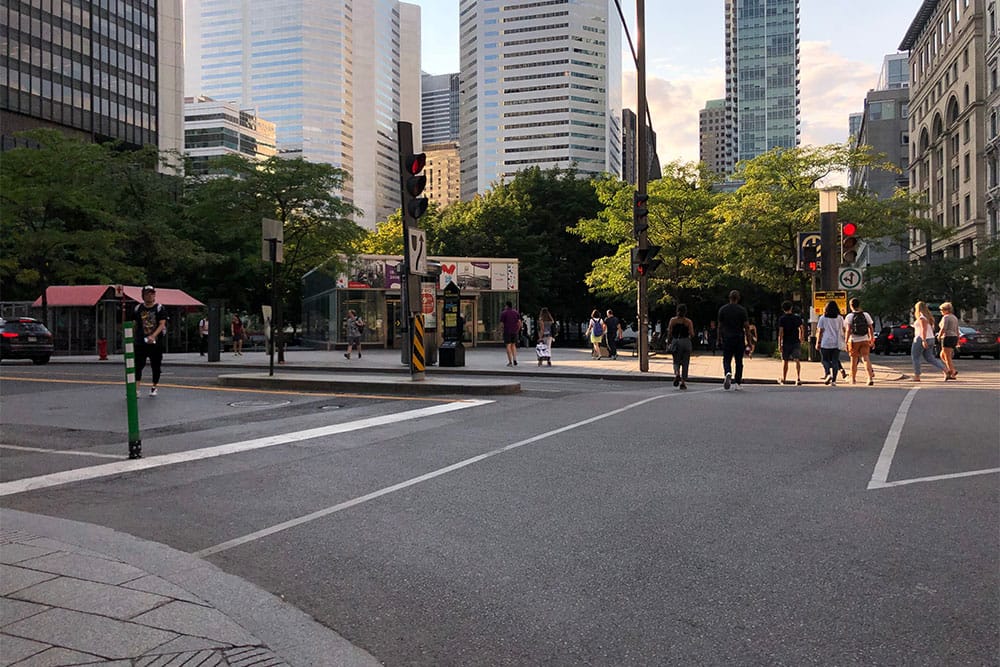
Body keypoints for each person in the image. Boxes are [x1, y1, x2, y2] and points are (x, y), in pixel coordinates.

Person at [134, 286, 166, 397]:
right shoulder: (138, 308)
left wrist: (153, 336)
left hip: (155, 342)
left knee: (156, 365)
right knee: (138, 365)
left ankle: (154, 386)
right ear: (143, 295)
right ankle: (136, 389)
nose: (150, 296)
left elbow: (162, 324)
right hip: (140, 341)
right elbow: (135, 324)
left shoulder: (159, 308)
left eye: (152, 293)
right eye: (147, 293)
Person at [717, 290, 751, 390]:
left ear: (729, 298)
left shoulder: (723, 309)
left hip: (727, 337)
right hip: (739, 337)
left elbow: (720, 326)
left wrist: (719, 339)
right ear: (738, 298)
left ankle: (728, 372)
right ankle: (737, 382)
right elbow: (746, 327)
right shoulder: (742, 310)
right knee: (739, 361)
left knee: (726, 358)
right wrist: (748, 342)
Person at [911, 301, 948, 382]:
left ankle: (917, 375)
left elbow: (923, 329)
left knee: (915, 357)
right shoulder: (928, 317)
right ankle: (945, 370)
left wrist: (923, 340)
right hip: (931, 338)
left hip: (921, 338)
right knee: (930, 357)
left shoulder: (921, 318)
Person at [844, 297, 875, 385]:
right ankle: (869, 378)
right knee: (866, 358)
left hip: (853, 340)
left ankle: (853, 379)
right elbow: (871, 328)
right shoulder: (866, 315)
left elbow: (848, 330)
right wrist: (871, 339)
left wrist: (846, 342)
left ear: (851, 306)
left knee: (854, 361)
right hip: (865, 339)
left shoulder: (849, 316)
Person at [815, 301, 845, 386]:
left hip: (825, 342)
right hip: (836, 342)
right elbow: (843, 329)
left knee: (825, 360)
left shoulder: (823, 318)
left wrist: (818, 342)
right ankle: (834, 380)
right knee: (835, 361)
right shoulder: (840, 318)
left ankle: (828, 374)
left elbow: (820, 331)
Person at [666, 304, 695, 390]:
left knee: (676, 361)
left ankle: (677, 374)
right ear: (685, 312)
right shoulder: (688, 322)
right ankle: (683, 382)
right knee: (685, 362)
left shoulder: (673, 320)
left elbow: (669, 332)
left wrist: (668, 342)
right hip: (686, 342)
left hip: (676, 341)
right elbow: (692, 333)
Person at [776, 300, 805, 386]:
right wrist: (801, 337)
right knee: (797, 360)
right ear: (791, 308)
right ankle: (798, 378)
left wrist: (779, 344)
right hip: (795, 341)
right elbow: (801, 328)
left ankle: (784, 378)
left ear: (783, 309)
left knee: (785, 361)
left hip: (786, 342)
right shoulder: (797, 318)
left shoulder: (782, 319)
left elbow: (781, 332)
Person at [937, 302, 960, 380]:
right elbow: (957, 329)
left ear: (946, 310)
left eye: (942, 310)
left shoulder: (946, 317)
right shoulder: (954, 317)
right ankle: (951, 369)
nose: (941, 311)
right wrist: (958, 339)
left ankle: (952, 372)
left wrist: (939, 336)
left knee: (947, 356)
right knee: (942, 355)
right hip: (954, 337)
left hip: (947, 337)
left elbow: (944, 328)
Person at [500, 301, 521, 366]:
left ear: (507, 306)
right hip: (514, 331)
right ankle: (515, 359)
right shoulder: (516, 313)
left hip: (507, 331)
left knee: (508, 345)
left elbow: (502, 324)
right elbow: (519, 322)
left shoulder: (504, 313)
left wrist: (501, 331)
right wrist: (518, 329)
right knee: (513, 345)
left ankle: (510, 362)